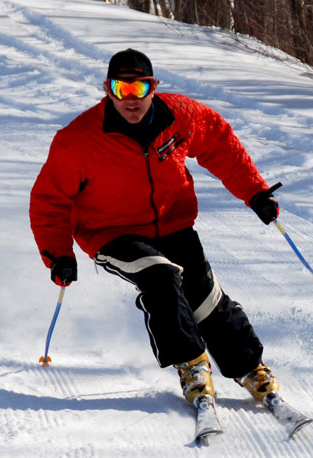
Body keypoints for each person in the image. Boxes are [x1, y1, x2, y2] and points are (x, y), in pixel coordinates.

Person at [30, 48, 285, 409]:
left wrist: (255, 192)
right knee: (160, 276)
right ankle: (192, 365)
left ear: (154, 87)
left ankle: (249, 367)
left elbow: (220, 144)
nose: (130, 100)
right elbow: (49, 200)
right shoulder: (78, 139)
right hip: (111, 233)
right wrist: (58, 254)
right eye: (121, 89)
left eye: (140, 89)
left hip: (174, 223)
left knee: (204, 295)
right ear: (107, 89)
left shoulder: (180, 115)